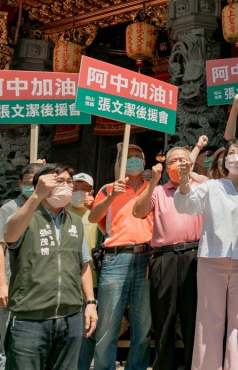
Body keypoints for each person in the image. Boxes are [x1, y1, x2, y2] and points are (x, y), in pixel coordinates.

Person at [174, 138, 238, 370]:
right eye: (231, 152)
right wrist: (183, 181)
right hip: (212, 258)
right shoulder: (212, 186)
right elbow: (187, 206)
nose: (235, 156)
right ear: (224, 160)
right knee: (209, 319)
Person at [3, 163, 97, 370]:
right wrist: (37, 196)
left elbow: (83, 265)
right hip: (31, 318)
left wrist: (90, 302)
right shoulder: (24, 216)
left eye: (69, 182)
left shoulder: (75, 222)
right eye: (59, 181)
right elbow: (9, 235)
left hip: (71, 317)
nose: (66, 186)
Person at [132, 147, 203, 370]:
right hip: (164, 258)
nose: (178, 164)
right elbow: (138, 211)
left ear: (191, 165)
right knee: (164, 320)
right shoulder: (159, 191)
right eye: (173, 161)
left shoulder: (201, 189)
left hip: (195, 257)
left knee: (194, 319)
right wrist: (152, 181)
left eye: (183, 160)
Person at [88, 144, 153, 370]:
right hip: (115, 257)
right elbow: (93, 217)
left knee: (143, 325)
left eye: (138, 158)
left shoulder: (152, 188)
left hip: (145, 257)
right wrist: (111, 196)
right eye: (129, 158)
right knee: (107, 325)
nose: (134, 161)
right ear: (120, 164)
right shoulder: (108, 188)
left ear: (144, 164)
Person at [0, 163, 43, 370]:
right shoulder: (9, 208)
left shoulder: (47, 208)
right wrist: (1, 284)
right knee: (10, 344)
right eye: (29, 183)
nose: (33, 187)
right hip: (13, 286)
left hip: (38, 286)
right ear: (20, 183)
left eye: (37, 183)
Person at [67, 173, 99, 370]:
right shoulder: (63, 211)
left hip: (91, 281)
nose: (79, 192)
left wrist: (95, 207)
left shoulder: (96, 213)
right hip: (67, 281)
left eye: (84, 189)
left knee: (88, 331)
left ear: (92, 192)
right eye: (75, 187)